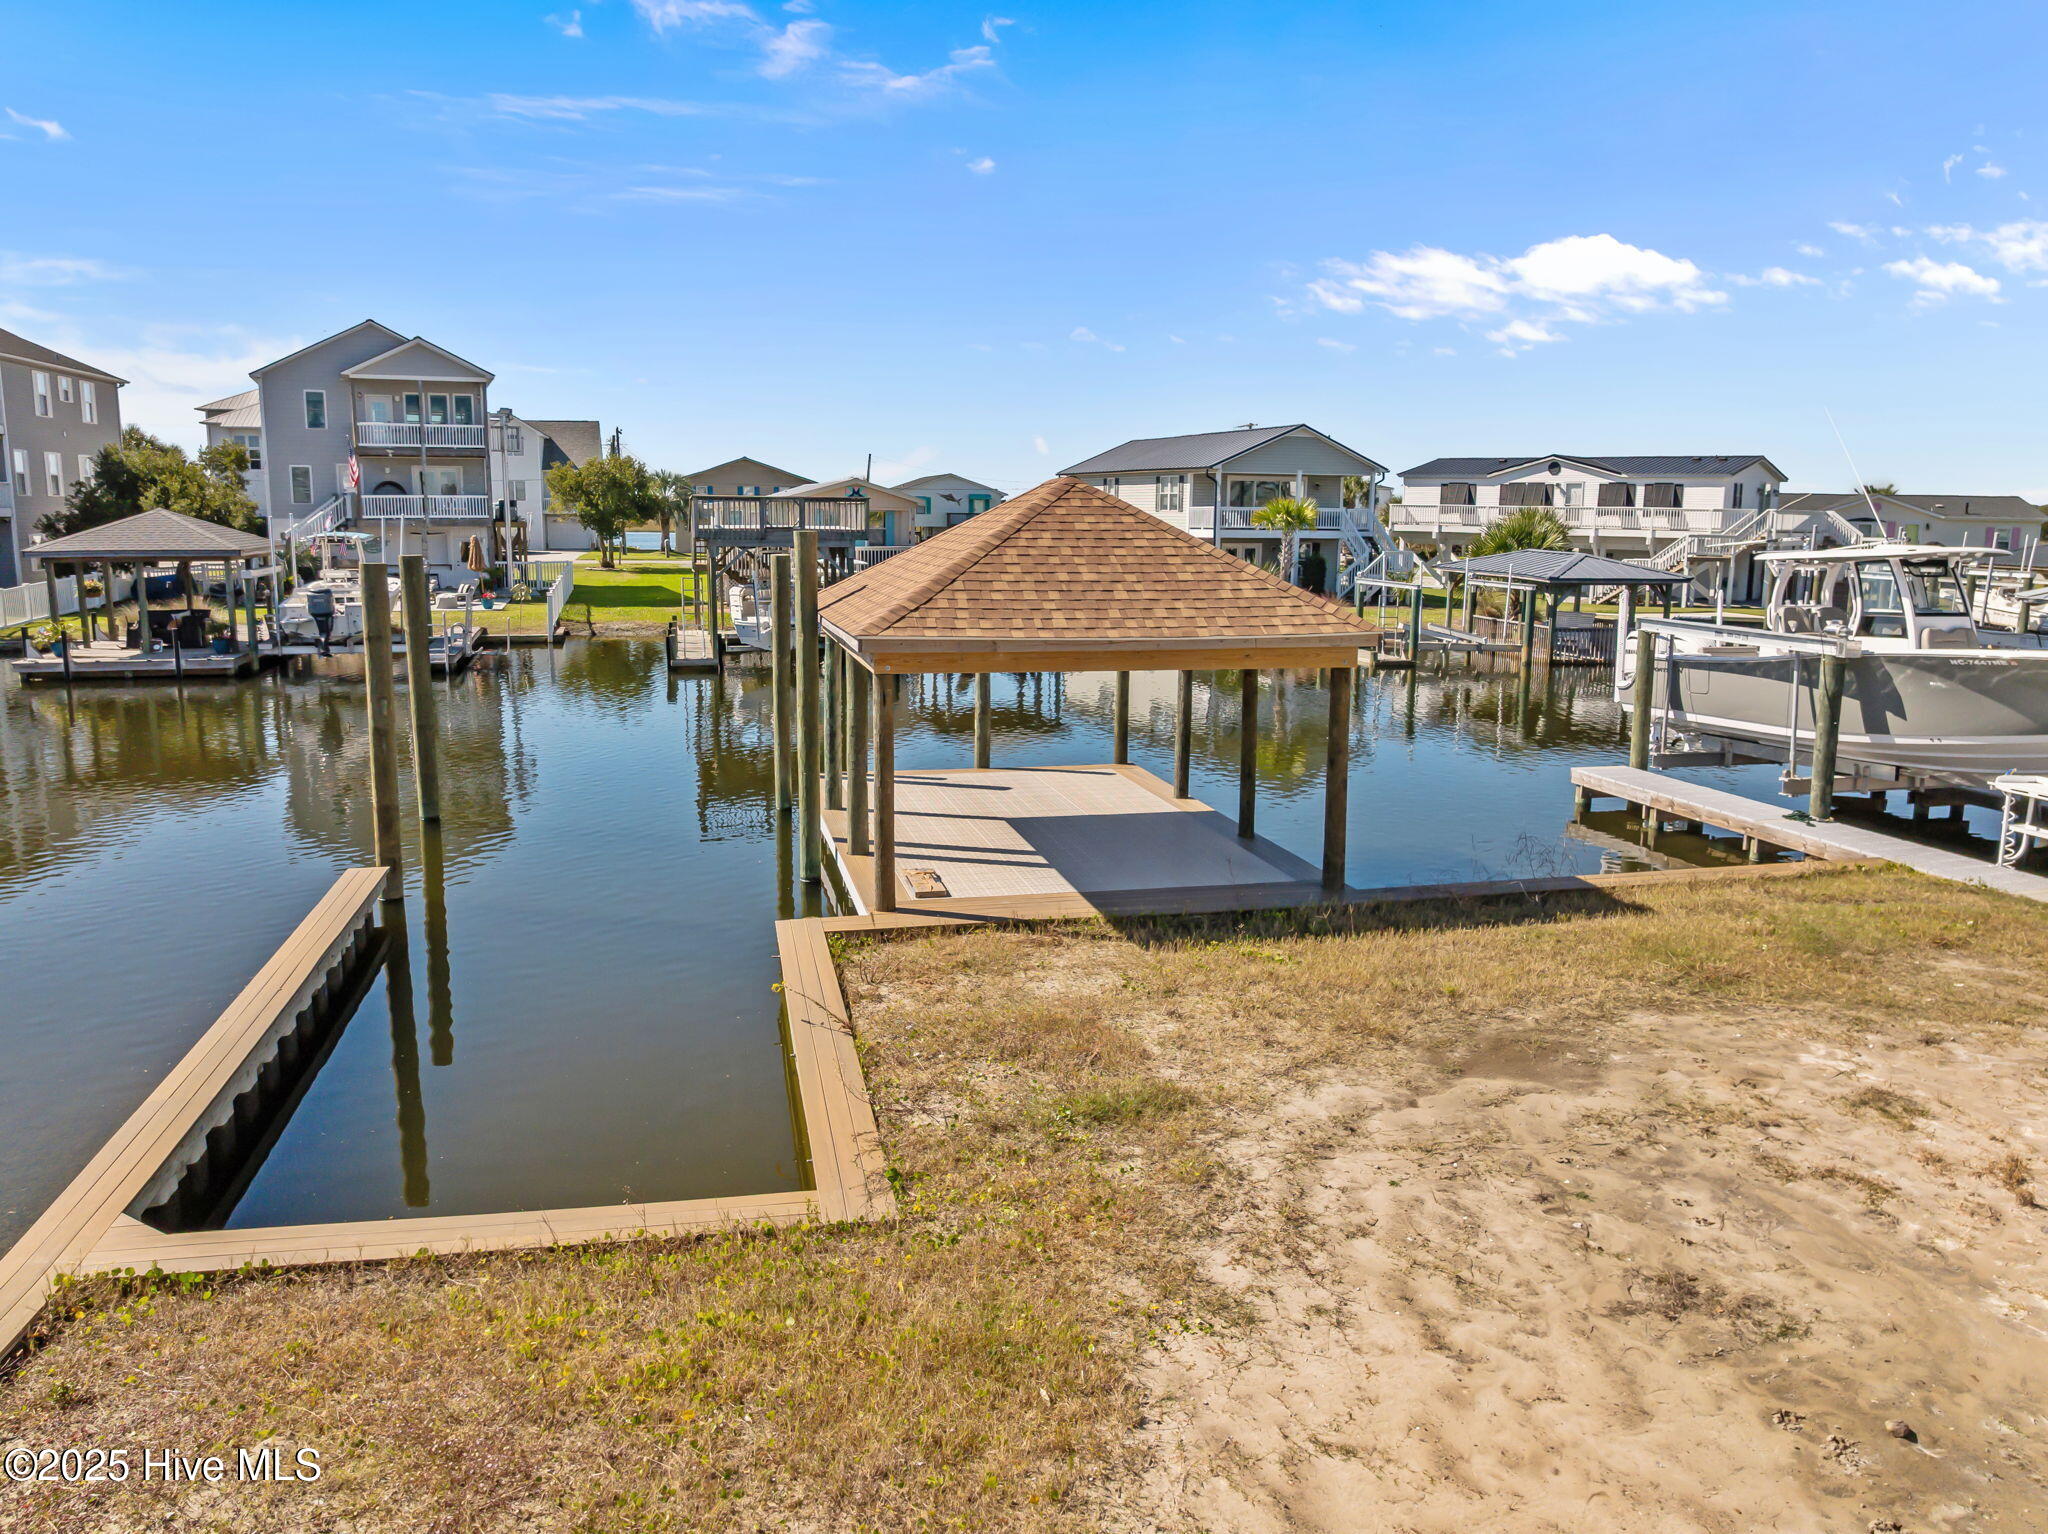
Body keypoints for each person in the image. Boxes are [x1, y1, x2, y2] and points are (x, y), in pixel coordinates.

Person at [306, 585, 336, 657]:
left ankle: (324, 648)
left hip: (314, 614)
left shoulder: (311, 595)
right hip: (327, 614)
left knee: (322, 632)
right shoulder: (328, 593)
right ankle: (324, 650)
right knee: (325, 632)